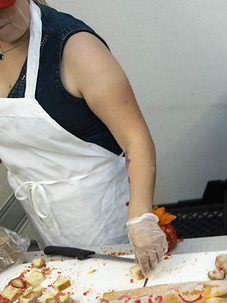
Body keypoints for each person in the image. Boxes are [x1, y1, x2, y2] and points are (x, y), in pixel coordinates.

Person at [0, 0, 166, 275]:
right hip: (46, 225)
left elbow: (135, 139)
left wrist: (140, 220)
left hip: (105, 219)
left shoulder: (76, 48)